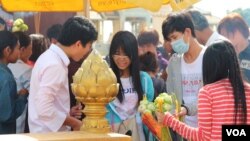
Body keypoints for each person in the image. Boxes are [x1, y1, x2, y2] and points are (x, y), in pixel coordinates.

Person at [157, 40, 250, 140]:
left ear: (208, 66)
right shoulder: (247, 90)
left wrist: (169, 120)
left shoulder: (208, 93)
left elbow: (202, 137)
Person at [28, 16, 98, 133]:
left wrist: (67, 113)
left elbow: (46, 103)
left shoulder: (50, 57)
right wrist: (75, 123)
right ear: (78, 44)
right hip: (49, 135)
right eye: (89, 46)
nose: (88, 52)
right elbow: (43, 108)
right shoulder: (54, 64)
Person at [162, 12, 205, 137]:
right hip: (182, 131)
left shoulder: (209, 57)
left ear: (187, 32)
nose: (173, 43)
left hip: (206, 130)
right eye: (170, 40)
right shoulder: (174, 62)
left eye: (175, 37)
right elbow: (171, 96)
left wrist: (186, 108)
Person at [106, 31, 154, 141]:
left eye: (126, 53)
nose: (121, 58)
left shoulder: (144, 80)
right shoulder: (106, 79)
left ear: (133, 54)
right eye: (117, 53)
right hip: (112, 132)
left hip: (138, 132)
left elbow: (149, 108)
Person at [0, 31, 28, 134]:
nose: (19, 52)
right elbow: (6, 115)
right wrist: (22, 97)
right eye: (17, 48)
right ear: (7, 50)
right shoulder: (6, 78)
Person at [8, 31, 32, 133]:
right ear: (21, 49)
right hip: (17, 120)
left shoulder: (5, 66)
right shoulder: (26, 70)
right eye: (31, 49)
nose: (31, 52)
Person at [217, 13, 250, 83]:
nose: (226, 40)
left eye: (227, 35)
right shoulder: (224, 56)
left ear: (240, 31)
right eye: (222, 37)